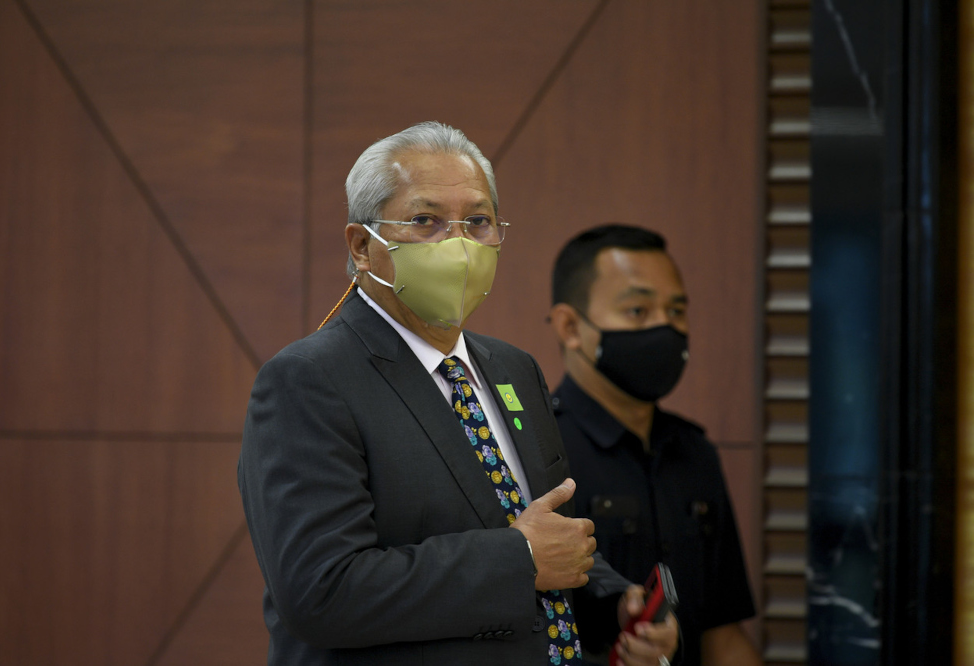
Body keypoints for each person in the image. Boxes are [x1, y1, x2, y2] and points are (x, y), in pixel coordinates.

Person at [238, 123, 679, 666]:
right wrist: (518, 558)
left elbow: (542, 531)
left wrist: (615, 608)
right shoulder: (309, 380)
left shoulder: (514, 369)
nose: (459, 244)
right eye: (426, 221)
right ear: (362, 245)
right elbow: (322, 591)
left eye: (478, 222)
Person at [548, 225, 762, 666]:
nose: (664, 327)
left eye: (676, 311)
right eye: (638, 311)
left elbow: (722, 636)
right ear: (571, 327)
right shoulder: (537, 451)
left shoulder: (695, 452)